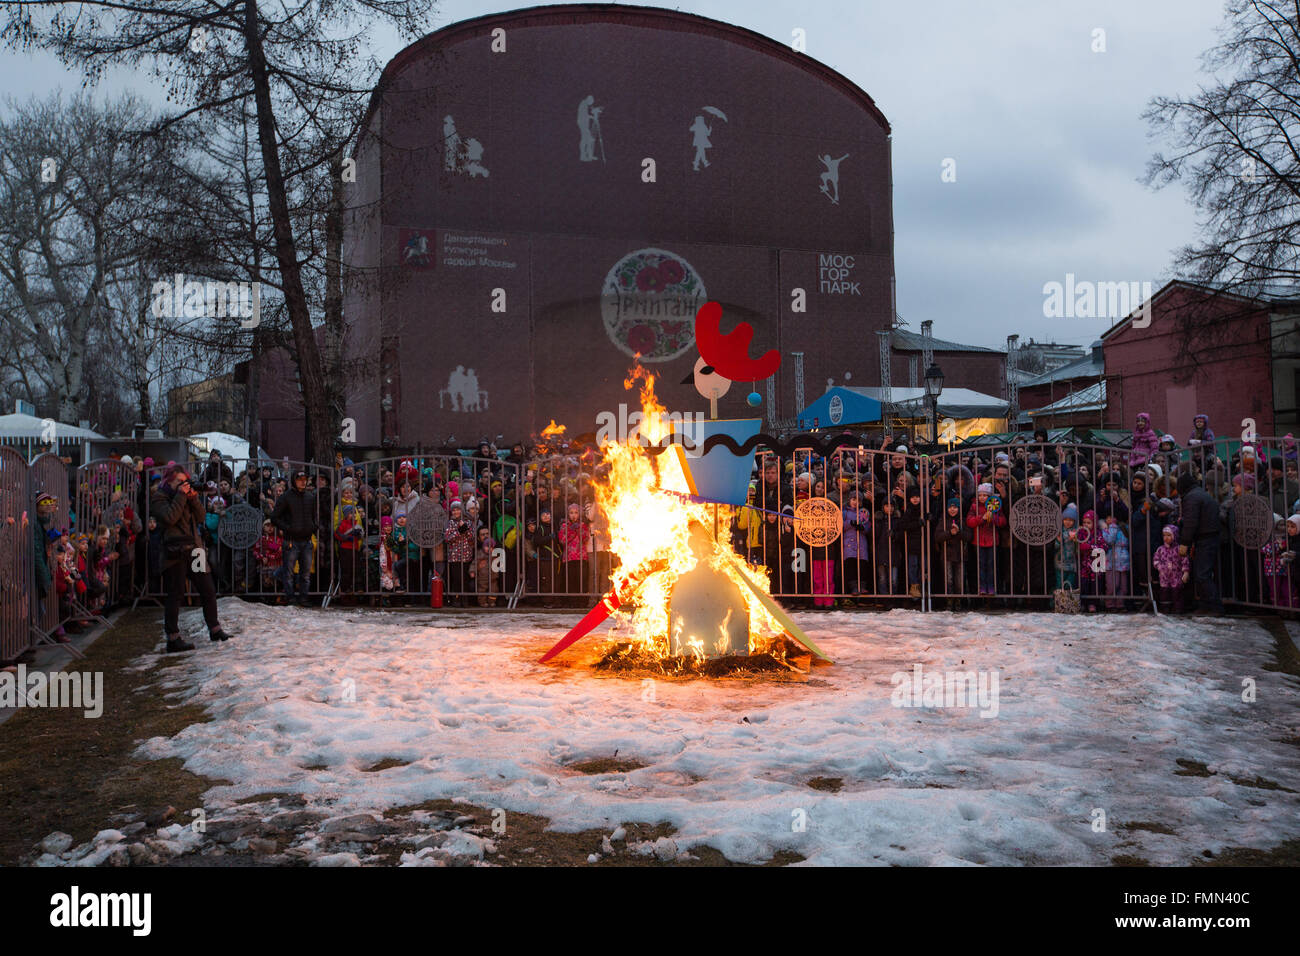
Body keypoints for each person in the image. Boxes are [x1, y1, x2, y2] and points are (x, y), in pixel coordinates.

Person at [151, 464, 230, 652]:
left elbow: (202, 517)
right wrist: (180, 495)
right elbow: (170, 518)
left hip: (194, 549)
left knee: (208, 589)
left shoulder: (186, 495)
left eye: (184, 481)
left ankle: (215, 629)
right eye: (179, 481)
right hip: (174, 550)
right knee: (175, 594)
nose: (183, 484)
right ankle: (173, 638)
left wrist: (193, 499)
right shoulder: (159, 497)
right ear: (168, 480)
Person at [1177, 472, 1224, 615]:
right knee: (1202, 574)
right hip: (1209, 536)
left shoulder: (1191, 498)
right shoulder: (1200, 494)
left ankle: (1214, 607)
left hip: (1205, 539)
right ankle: (1206, 605)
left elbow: (1191, 523)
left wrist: (1185, 543)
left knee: (1202, 575)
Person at [270, 470, 318, 606]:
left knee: (305, 574)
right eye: (300, 479)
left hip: (307, 540)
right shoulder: (286, 497)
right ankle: (290, 598)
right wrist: (287, 528)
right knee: (289, 573)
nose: (303, 482)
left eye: (305, 479)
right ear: (294, 481)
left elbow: (314, 515)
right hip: (291, 540)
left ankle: (304, 598)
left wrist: (314, 526)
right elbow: (274, 517)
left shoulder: (310, 497)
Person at [1153, 526, 1191, 613]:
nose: (1166, 538)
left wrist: (1186, 572)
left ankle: (1178, 609)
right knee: (1164, 593)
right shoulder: (1160, 549)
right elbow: (1155, 560)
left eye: (1169, 535)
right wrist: (1160, 567)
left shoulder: (1179, 549)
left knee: (1177, 593)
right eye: (1164, 535)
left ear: (1175, 536)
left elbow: (1185, 561)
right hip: (1164, 577)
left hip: (1176, 576)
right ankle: (1165, 608)